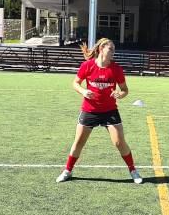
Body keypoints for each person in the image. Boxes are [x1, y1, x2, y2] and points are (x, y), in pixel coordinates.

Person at [56, 37, 142, 184]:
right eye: (111, 49)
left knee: (119, 143)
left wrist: (120, 94)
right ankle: (68, 170)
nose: (113, 52)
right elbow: (75, 83)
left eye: (114, 49)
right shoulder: (87, 66)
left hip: (110, 111)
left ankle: (133, 170)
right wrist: (83, 91)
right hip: (90, 110)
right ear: (102, 49)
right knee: (78, 143)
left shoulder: (116, 69)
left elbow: (125, 90)